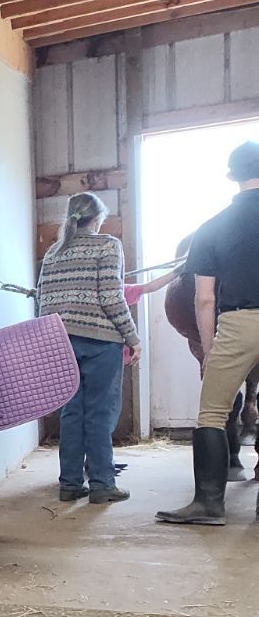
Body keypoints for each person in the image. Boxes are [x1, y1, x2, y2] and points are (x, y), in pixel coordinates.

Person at [158, 141, 259, 526]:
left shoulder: (212, 227)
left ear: (231, 176)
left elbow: (203, 298)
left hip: (237, 322)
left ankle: (209, 504)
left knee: (212, 414)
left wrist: (209, 345)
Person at [36, 191, 139, 504]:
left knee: (71, 412)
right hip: (100, 340)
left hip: (61, 341)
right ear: (97, 218)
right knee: (99, 412)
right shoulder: (108, 245)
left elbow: (43, 299)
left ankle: (69, 483)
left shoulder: (54, 252)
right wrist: (132, 336)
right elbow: (111, 297)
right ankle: (102, 484)